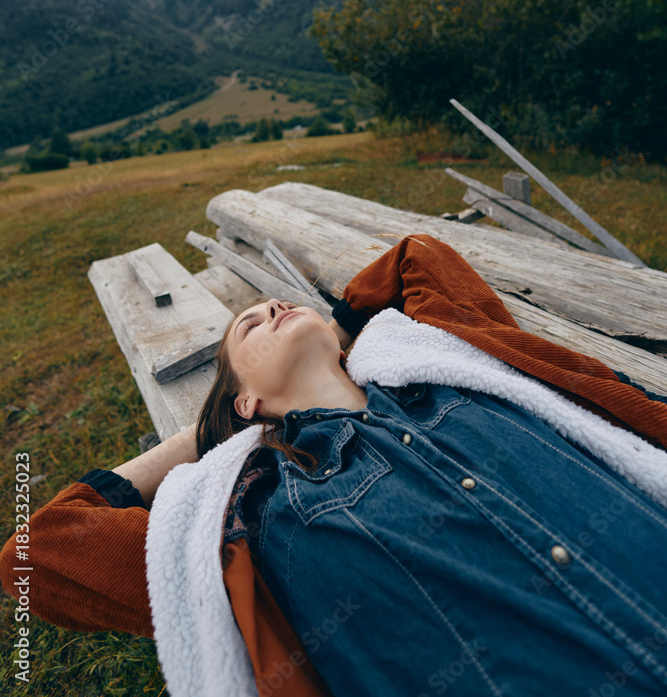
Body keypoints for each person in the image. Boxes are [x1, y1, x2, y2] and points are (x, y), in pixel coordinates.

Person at [2, 234, 667, 697]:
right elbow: (34, 553)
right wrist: (207, 439)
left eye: (281, 307)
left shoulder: (453, 370)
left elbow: (418, 257)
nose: (271, 307)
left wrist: (344, 344)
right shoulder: (254, 516)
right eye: (251, 326)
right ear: (246, 399)